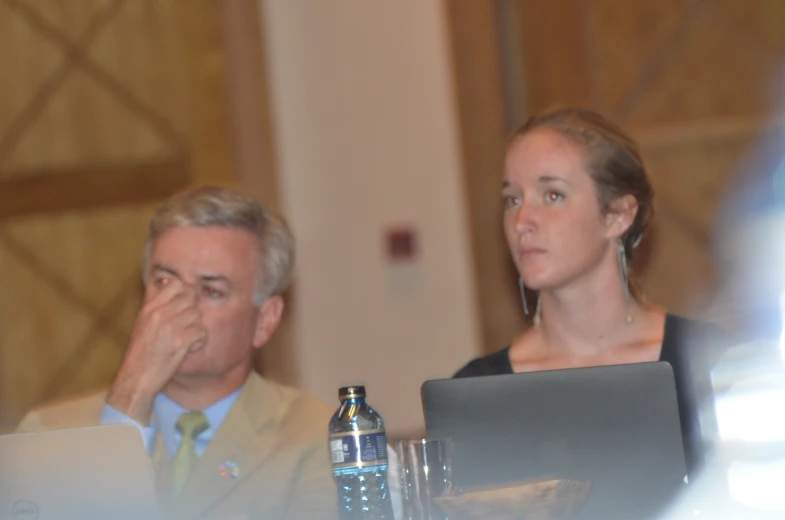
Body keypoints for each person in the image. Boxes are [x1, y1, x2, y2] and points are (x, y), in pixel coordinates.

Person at [16, 186, 338, 520]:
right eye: (165, 283)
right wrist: (130, 397)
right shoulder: (44, 434)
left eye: (211, 290)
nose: (178, 309)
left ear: (265, 320)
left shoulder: (318, 439)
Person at [454, 108, 729, 477]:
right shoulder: (477, 394)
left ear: (617, 215)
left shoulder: (710, 366)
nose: (522, 222)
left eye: (552, 195)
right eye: (512, 200)